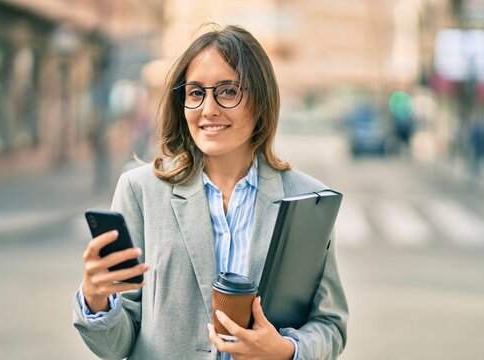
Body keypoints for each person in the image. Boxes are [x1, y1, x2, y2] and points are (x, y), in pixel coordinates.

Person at [73, 24, 348, 360]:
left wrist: (286, 351)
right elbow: (116, 346)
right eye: (195, 92)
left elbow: (329, 324)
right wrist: (96, 300)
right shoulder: (140, 191)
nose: (208, 109)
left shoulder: (309, 200)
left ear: (261, 101)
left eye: (228, 91)